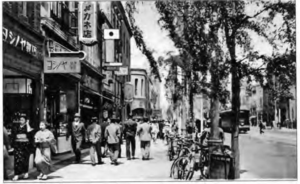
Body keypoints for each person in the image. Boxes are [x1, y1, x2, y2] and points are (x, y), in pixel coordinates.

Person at [11, 113, 34, 181]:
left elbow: (30, 135)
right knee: (17, 160)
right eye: (20, 119)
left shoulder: (27, 126)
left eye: (22, 119)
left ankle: (26, 173)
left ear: (25, 120)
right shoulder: (16, 127)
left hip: (26, 146)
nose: (21, 121)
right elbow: (13, 136)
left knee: (25, 159)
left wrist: (27, 124)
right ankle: (16, 174)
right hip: (17, 146)